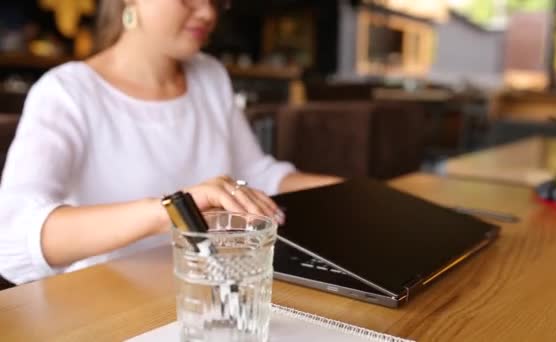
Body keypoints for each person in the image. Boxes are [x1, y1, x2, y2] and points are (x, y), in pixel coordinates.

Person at [0, 0, 340, 285]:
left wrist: (363, 194)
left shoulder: (210, 77)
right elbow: (12, 236)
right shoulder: (67, 92)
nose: (208, 13)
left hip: (208, 288)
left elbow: (255, 176)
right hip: (110, 307)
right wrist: (175, 210)